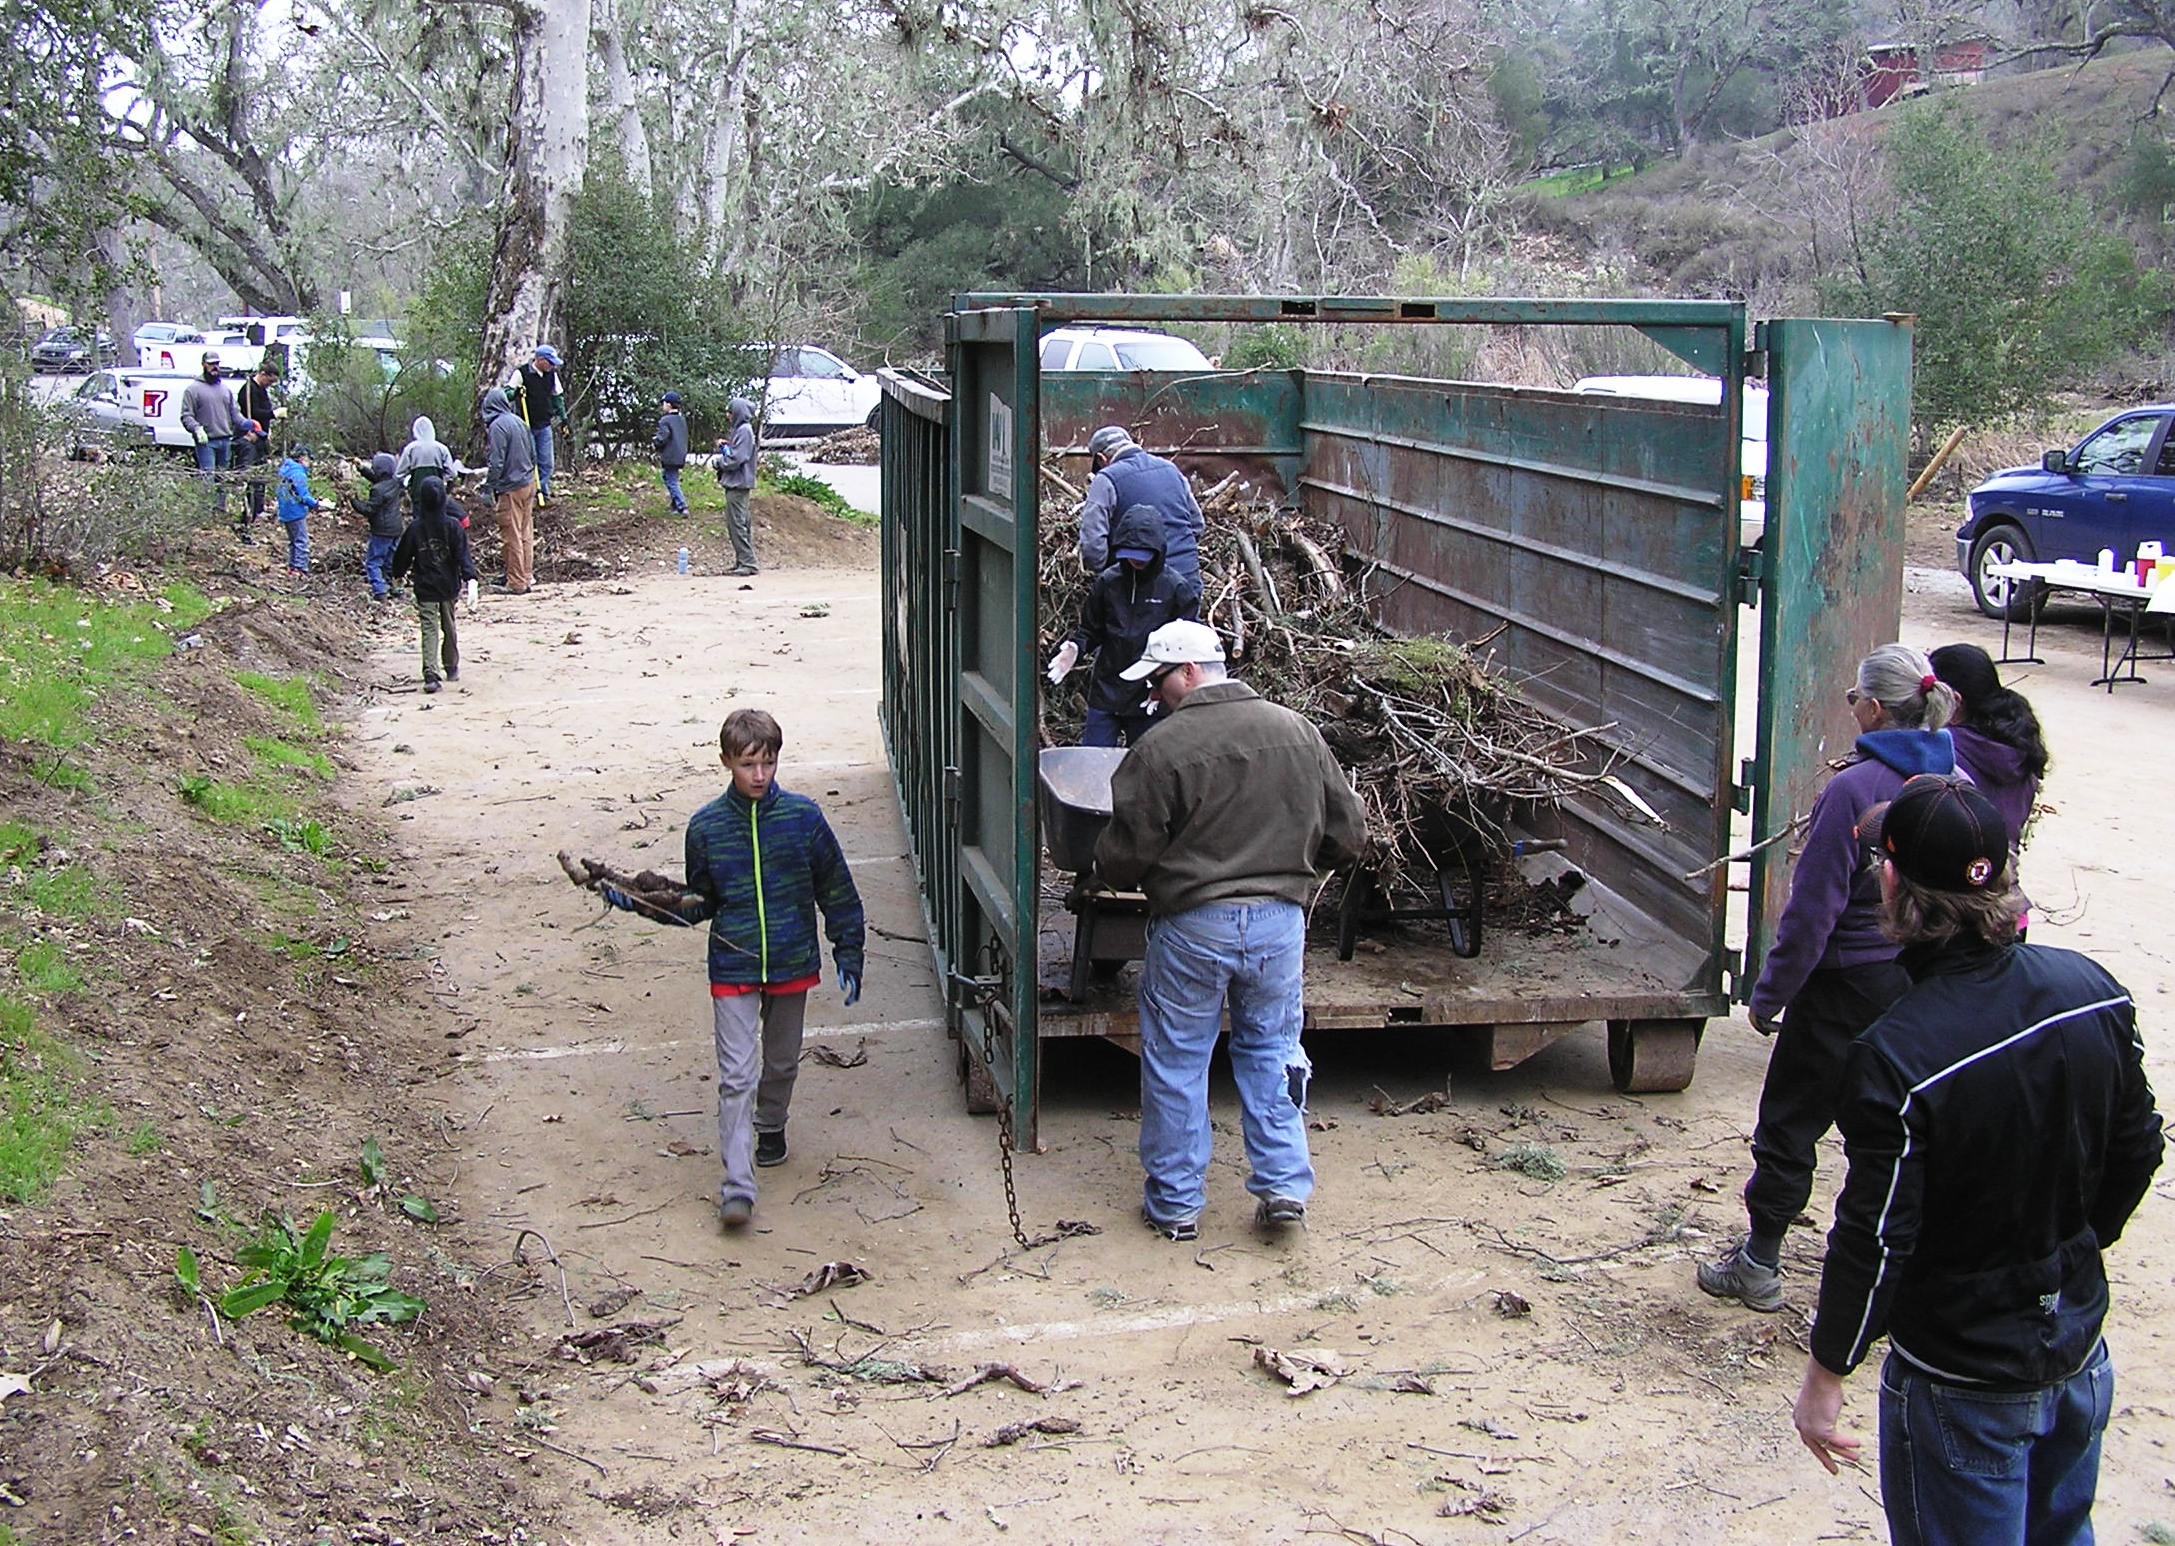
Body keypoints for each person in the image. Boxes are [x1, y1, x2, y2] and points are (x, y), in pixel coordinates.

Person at [1792, 774, 2160, 1546]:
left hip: (1962, 1382)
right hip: (2077, 1353)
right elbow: (2140, 1145)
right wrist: (2067, 1251)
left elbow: (1876, 1236)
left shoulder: (1895, 1057)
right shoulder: (2091, 989)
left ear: (1893, 885)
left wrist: (1827, 1373)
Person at [1698, 643, 1964, 1312]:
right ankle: (1894, 1273)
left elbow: (1812, 911)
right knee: (1896, 1135)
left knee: (1790, 1122)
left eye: (1853, 698)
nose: (1850, 708)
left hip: (1844, 989)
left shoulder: (1853, 790)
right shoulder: (1956, 784)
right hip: (1925, 990)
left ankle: (1758, 1261)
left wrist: (1769, 993)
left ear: (1873, 708)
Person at [1092, 619, 1367, 1241]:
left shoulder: (1158, 751)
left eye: (1158, 681)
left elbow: (1124, 858)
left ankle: (1175, 1207)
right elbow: (1349, 837)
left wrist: (1103, 868)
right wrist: (1293, 876)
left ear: (1189, 673)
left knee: (1178, 1062)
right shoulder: (1296, 731)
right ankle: (1282, 1187)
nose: (1153, 695)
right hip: (1278, 925)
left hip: (1193, 926)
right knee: (1273, 1050)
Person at [601, 709, 866, 1229]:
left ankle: (772, 1125)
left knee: (782, 1063)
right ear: (726, 762)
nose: (760, 775)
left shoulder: (804, 819)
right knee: (737, 1075)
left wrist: (848, 950)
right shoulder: (706, 828)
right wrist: (643, 901)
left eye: (768, 762)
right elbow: (701, 902)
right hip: (733, 964)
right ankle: (738, 1187)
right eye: (749, 764)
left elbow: (836, 889)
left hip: (791, 961)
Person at [1045, 503, 1203, 747]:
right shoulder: (1108, 582)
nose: (1135, 562)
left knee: (1146, 767)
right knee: (1093, 761)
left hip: (1149, 696)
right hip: (1108, 690)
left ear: (1158, 551)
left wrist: (1164, 687)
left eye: (1142, 556)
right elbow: (1090, 629)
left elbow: (1186, 646)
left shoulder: (1176, 589)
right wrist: (1074, 649)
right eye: (1129, 555)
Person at [1929, 641, 2048, 871]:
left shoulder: (1945, 751)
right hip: (2002, 881)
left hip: (1953, 884)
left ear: (1955, 702)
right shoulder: (2021, 744)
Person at [1078, 425, 1203, 589]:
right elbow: (1197, 525)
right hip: (1186, 581)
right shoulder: (1171, 469)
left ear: (1102, 459)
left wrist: (1106, 576)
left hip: (1140, 588)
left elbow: (1093, 545)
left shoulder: (1106, 479)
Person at [390, 475, 478, 695]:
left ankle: (431, 674)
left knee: (429, 628)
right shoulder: (453, 527)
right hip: (448, 585)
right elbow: (462, 556)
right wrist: (471, 578)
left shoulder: (415, 528)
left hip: (425, 586)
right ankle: (451, 665)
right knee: (449, 625)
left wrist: (397, 574)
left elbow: (403, 555)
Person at [483, 386, 538, 594]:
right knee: (525, 534)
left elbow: (496, 462)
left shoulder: (498, 426)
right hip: (528, 483)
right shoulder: (520, 422)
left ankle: (515, 582)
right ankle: (526, 576)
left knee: (511, 535)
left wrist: (490, 487)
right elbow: (533, 455)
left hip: (511, 488)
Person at [180, 352, 243, 523]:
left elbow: (235, 415)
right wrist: (196, 429)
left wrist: (250, 425)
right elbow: (186, 416)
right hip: (206, 441)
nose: (215, 367)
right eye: (211, 364)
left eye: (217, 364)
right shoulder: (193, 390)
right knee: (208, 477)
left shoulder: (225, 389)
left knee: (222, 478)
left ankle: (220, 511)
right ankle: (206, 514)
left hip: (225, 439)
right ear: (204, 365)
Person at [234, 363, 285, 532]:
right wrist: (273, 414)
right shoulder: (248, 391)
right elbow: (253, 413)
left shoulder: (262, 391)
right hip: (251, 438)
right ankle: (250, 511)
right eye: (269, 381)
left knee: (262, 474)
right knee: (252, 475)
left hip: (262, 437)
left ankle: (259, 509)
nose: (269, 385)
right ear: (263, 374)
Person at [714, 396, 758, 574]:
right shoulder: (741, 430)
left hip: (738, 483)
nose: (727, 415)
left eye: (730, 412)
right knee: (740, 523)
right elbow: (738, 452)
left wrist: (719, 463)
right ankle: (742, 561)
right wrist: (727, 446)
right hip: (738, 482)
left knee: (737, 524)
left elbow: (738, 458)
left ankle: (748, 562)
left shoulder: (744, 431)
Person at [519, 344, 568, 506]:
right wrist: (515, 393)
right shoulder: (522, 373)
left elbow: (557, 398)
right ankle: (531, 495)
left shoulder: (552, 376)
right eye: (550, 362)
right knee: (530, 462)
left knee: (547, 463)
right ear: (539, 360)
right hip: (527, 425)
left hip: (544, 424)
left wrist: (563, 419)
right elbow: (507, 392)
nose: (552, 366)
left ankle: (543, 491)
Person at [355, 451, 405, 601]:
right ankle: (394, 588)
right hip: (396, 529)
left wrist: (354, 501)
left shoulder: (377, 490)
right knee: (390, 561)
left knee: (373, 562)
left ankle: (380, 591)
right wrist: (361, 468)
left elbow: (369, 510)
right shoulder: (395, 483)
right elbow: (378, 479)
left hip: (381, 531)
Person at [274, 444, 326, 576]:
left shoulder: (285, 470)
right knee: (302, 541)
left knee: (293, 541)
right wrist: (316, 505)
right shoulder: (298, 474)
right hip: (296, 511)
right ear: (302, 458)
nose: (310, 464)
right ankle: (300, 568)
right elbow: (303, 495)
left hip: (285, 511)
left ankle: (292, 567)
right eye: (309, 460)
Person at [394, 414, 458, 505]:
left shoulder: (411, 449)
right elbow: (452, 473)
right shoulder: (442, 448)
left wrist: (407, 484)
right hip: (438, 494)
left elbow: (399, 475)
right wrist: (444, 485)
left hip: (417, 495)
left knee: (419, 518)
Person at [654, 391, 690, 517]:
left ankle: (682, 506)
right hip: (680, 455)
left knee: (671, 481)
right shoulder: (681, 420)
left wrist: (655, 441)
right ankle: (675, 506)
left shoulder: (665, 420)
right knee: (669, 478)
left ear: (669, 405)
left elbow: (662, 438)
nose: (662, 406)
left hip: (670, 456)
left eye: (663, 403)